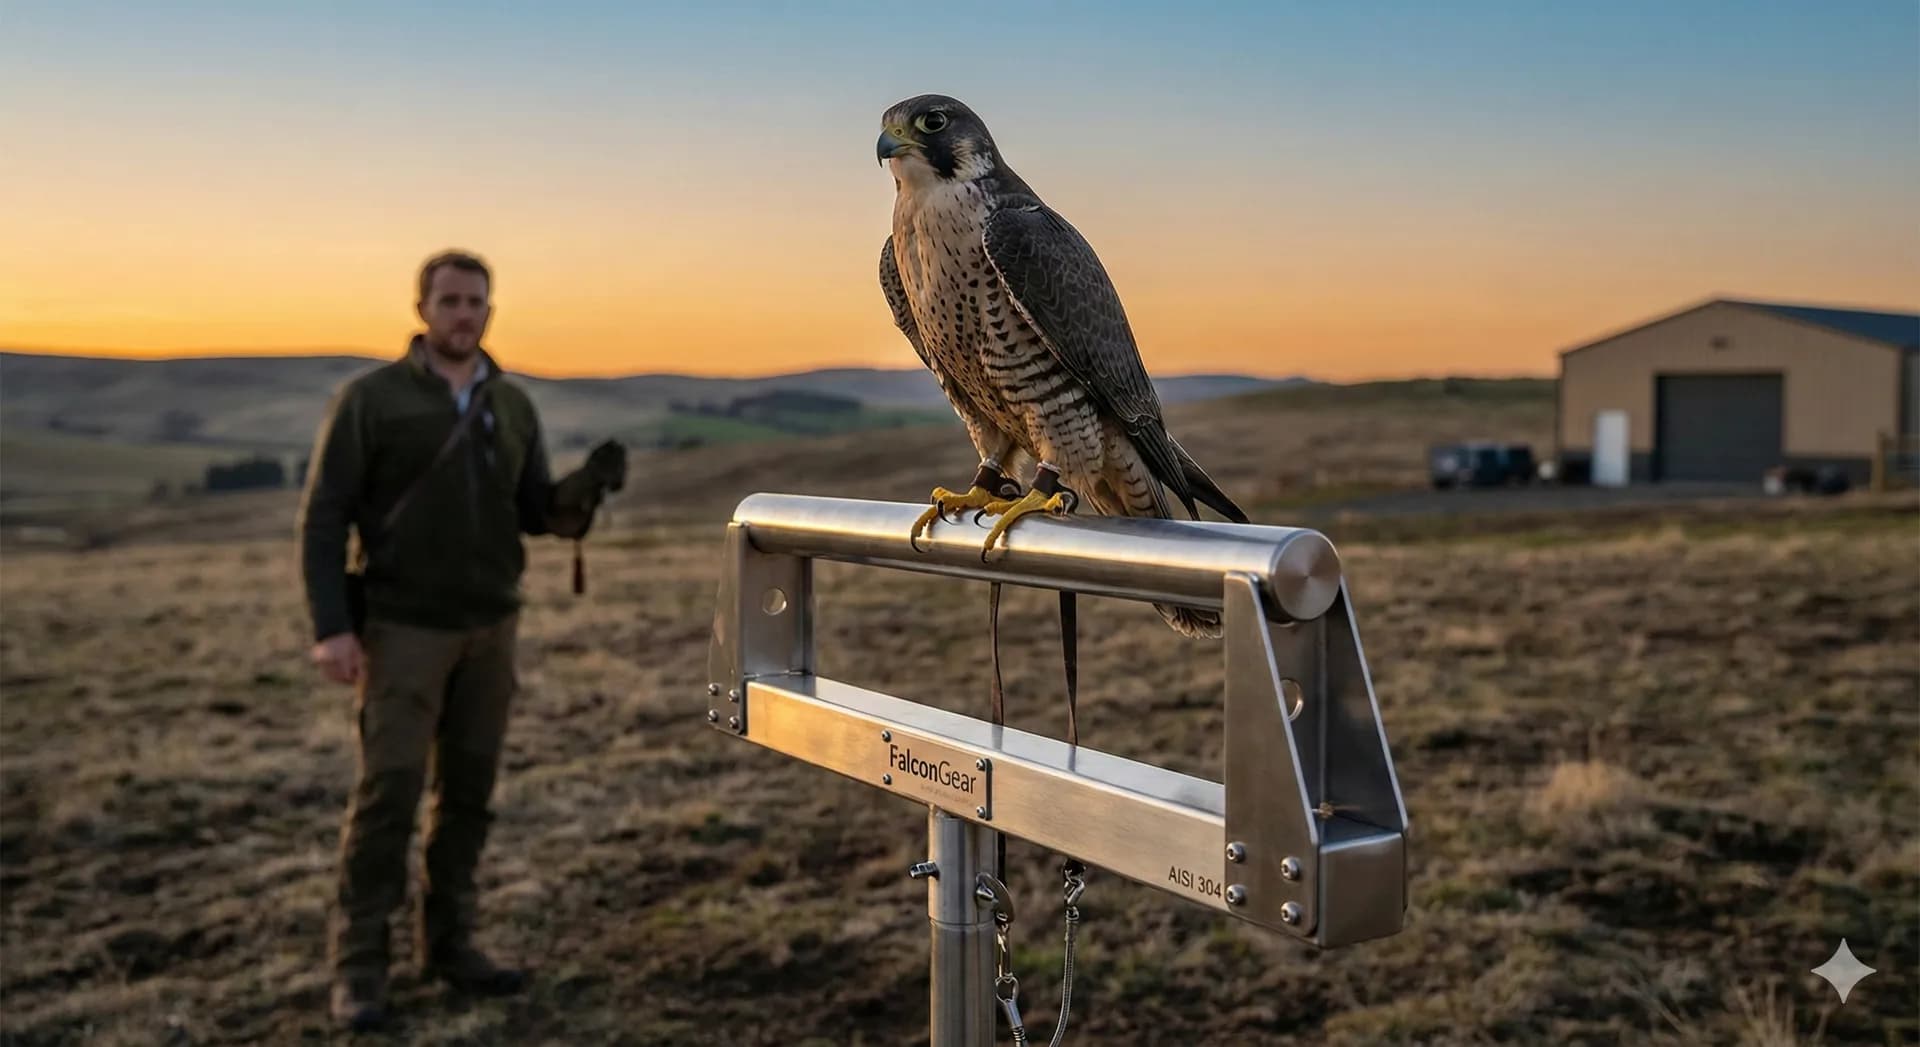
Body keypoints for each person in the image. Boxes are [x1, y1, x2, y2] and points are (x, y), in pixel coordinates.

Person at [297, 249, 627, 1031]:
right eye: (448, 301)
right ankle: (360, 969)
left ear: (489, 311)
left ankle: (451, 947)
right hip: (402, 628)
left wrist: (586, 489)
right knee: (389, 797)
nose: (463, 314)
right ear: (422, 309)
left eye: (476, 302)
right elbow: (323, 518)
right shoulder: (370, 401)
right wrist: (332, 629)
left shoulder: (510, 405)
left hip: (492, 626)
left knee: (469, 798)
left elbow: (537, 509)